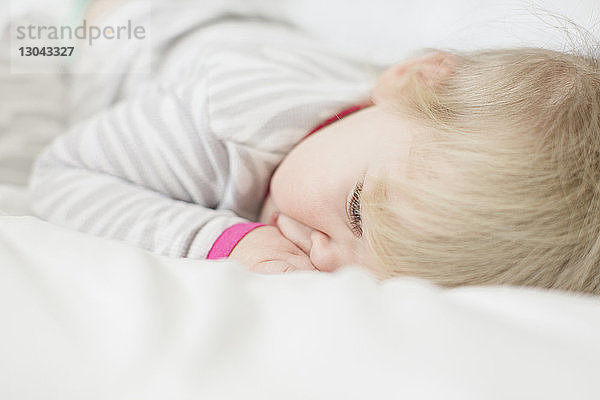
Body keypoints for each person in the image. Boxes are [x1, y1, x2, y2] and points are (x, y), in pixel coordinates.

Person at [29, 2, 600, 294]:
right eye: (356, 209)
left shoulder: (392, 145)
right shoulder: (224, 118)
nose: (325, 261)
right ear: (410, 81)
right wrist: (222, 240)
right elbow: (64, 173)